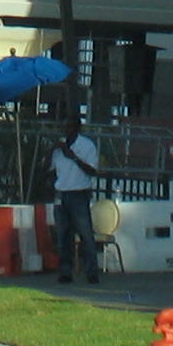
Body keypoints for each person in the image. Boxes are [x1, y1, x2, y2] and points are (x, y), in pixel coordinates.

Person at [47, 118, 102, 284]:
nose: (65, 130)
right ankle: (65, 272)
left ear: (77, 128)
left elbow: (93, 171)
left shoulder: (87, 146)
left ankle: (92, 272)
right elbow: (47, 168)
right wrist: (51, 150)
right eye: (63, 126)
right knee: (63, 235)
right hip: (61, 194)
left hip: (79, 193)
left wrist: (74, 157)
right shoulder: (59, 148)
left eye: (69, 126)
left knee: (86, 234)